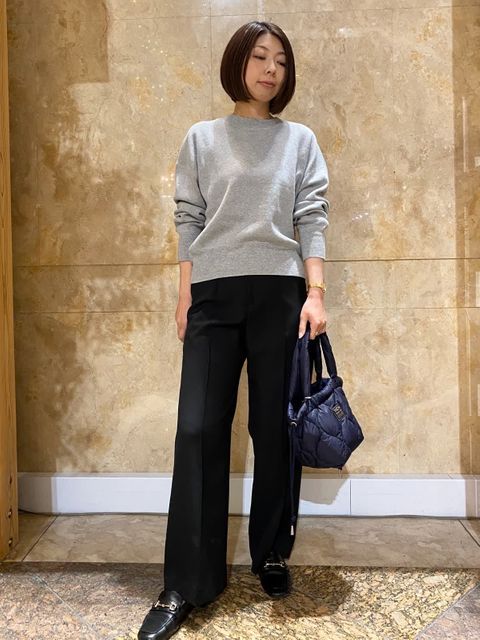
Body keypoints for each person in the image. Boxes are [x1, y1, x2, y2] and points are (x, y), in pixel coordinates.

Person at [137, 19, 329, 640]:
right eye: (259, 57)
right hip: (214, 296)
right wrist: (184, 296)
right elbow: (188, 218)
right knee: (197, 428)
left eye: (281, 60)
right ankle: (186, 583)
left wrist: (316, 293)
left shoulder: (299, 140)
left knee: (273, 428)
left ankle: (271, 552)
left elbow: (312, 215)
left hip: (280, 294)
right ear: (237, 64)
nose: (271, 69)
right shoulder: (202, 138)